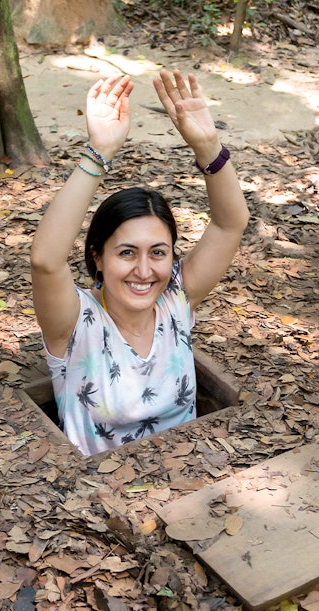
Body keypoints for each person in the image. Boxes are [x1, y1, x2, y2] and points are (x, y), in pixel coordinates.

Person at [30, 70, 250, 457]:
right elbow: (46, 261)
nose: (145, 271)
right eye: (127, 252)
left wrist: (209, 146)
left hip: (191, 483)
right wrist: (98, 153)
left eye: (158, 252)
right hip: (99, 503)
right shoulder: (74, 324)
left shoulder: (175, 300)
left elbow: (230, 223)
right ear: (97, 255)